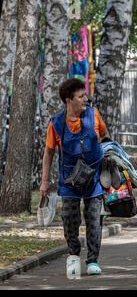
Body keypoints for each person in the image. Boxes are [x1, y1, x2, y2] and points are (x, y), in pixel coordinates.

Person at [40, 78, 110, 276]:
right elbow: (49, 154)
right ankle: (73, 255)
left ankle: (93, 260)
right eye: (81, 96)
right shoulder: (56, 123)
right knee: (70, 218)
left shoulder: (94, 115)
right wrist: (44, 182)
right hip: (69, 180)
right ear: (68, 100)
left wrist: (109, 159)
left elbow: (105, 137)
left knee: (94, 219)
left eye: (85, 95)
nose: (85, 99)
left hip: (94, 178)